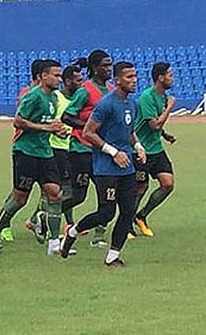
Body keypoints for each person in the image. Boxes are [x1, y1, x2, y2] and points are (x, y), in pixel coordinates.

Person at [59, 62, 144, 267]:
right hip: (106, 167)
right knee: (106, 212)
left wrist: (139, 146)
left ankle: (113, 255)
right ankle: (72, 232)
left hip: (127, 167)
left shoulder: (132, 104)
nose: (133, 80)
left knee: (128, 211)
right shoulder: (106, 104)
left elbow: (129, 130)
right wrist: (112, 152)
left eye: (134, 76)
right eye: (128, 77)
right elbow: (88, 132)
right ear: (117, 81)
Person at [0, 59, 67, 256]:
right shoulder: (33, 97)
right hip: (25, 152)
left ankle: (54, 243)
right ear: (43, 76)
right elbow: (19, 122)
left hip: (44, 151)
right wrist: (47, 128)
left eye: (60, 75)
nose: (59, 79)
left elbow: (47, 123)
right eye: (55, 75)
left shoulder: (54, 98)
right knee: (20, 198)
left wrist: (57, 131)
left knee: (55, 193)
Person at [26, 64, 83, 244]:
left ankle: (41, 219)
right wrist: (55, 129)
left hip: (67, 147)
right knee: (61, 190)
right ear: (67, 81)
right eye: (77, 80)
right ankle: (45, 221)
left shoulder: (75, 98)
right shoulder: (55, 97)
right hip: (54, 147)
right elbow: (51, 119)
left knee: (58, 191)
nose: (81, 83)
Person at [61, 50, 113, 247]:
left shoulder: (110, 89)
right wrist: (88, 127)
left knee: (107, 194)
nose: (108, 69)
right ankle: (48, 213)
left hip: (103, 151)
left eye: (110, 65)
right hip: (82, 150)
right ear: (94, 68)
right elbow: (66, 116)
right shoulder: (85, 90)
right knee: (79, 196)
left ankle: (99, 236)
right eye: (105, 65)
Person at [133, 62, 177, 237]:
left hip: (156, 149)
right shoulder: (147, 97)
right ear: (160, 78)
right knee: (140, 187)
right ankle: (127, 223)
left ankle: (141, 216)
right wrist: (169, 107)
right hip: (141, 150)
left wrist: (165, 135)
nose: (172, 78)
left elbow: (158, 125)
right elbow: (153, 124)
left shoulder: (163, 96)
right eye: (170, 75)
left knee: (168, 184)